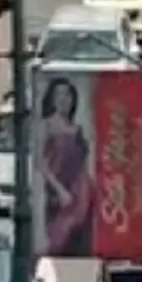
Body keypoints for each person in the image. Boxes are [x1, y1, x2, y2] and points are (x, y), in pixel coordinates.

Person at [38, 78, 94, 256]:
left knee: (83, 244)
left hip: (83, 195)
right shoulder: (46, 125)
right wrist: (60, 190)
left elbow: (82, 162)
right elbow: (41, 163)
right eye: (59, 95)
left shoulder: (77, 128)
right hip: (61, 196)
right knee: (59, 241)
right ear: (52, 99)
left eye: (68, 94)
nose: (64, 99)